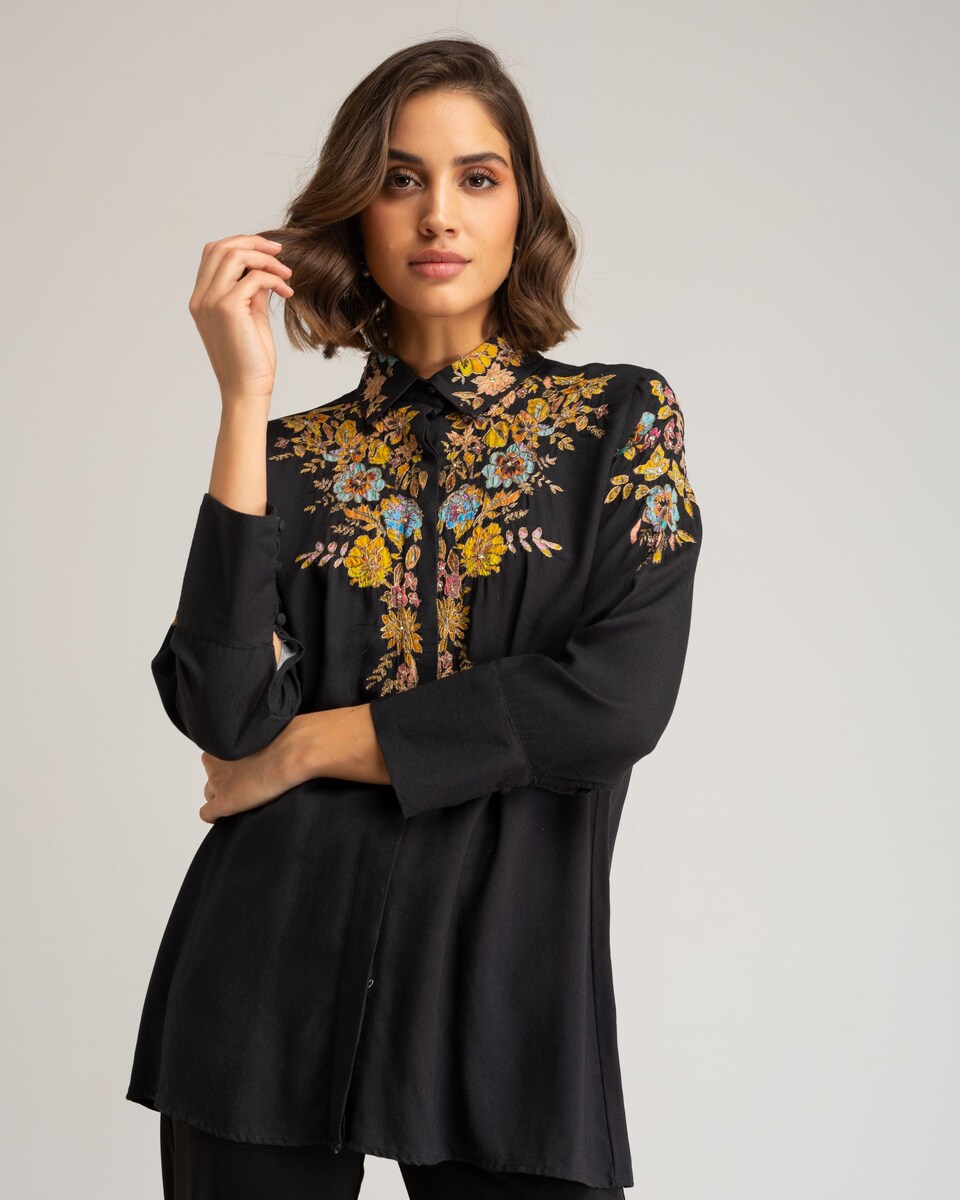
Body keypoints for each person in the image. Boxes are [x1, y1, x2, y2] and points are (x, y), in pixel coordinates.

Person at [125, 34, 704, 1200]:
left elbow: (609, 708)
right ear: (357, 213)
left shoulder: (618, 423)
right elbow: (225, 714)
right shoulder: (290, 457)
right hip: (263, 990)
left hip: (508, 998)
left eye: (475, 178)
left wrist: (307, 747)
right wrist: (243, 398)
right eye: (400, 179)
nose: (438, 213)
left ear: (520, 210)